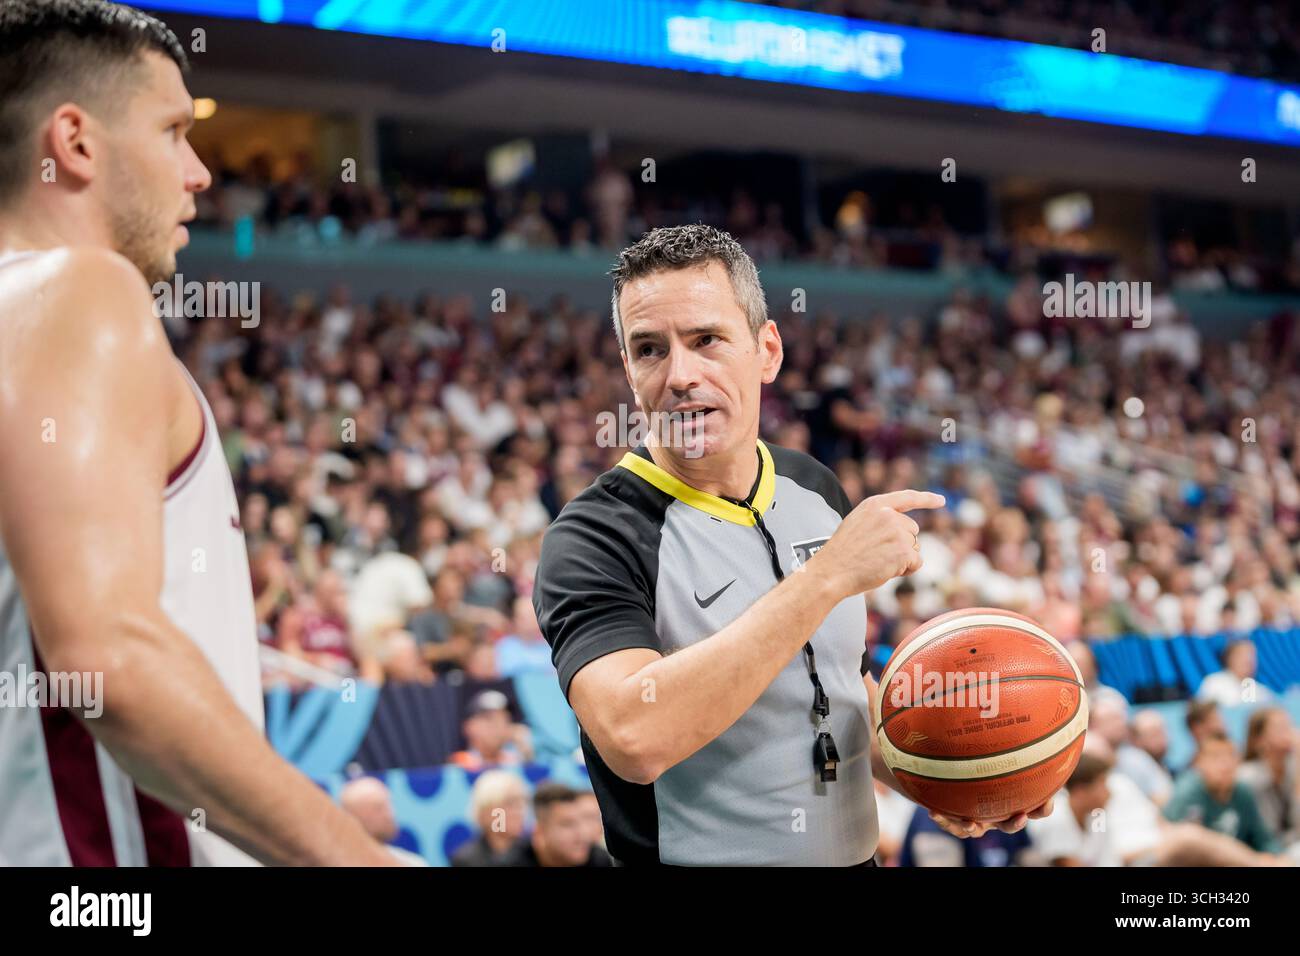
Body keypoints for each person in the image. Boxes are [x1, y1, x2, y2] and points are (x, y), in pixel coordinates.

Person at [0, 0, 391, 866]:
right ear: (76, 142)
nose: (201, 172)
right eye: (175, 130)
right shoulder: (81, 291)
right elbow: (108, 655)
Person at [532, 225, 1049, 866]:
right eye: (649, 349)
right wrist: (825, 576)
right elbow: (634, 737)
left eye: (706, 340)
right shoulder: (594, 536)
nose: (681, 375)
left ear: (767, 350)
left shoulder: (813, 485)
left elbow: (841, 691)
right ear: (630, 371)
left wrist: (956, 776)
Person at [1164, 732, 1284, 856]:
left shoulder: (1243, 792)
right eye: (1216, 757)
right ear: (1199, 763)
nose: (1225, 764)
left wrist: (1279, 858)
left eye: (1231, 756)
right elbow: (1177, 845)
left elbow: (1264, 839)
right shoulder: (1187, 793)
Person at [501, 783, 614, 867]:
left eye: (582, 822)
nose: (582, 834)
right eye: (567, 825)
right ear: (540, 832)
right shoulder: (511, 862)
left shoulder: (599, 860)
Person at [339, 776, 427, 865]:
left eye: (388, 805)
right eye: (378, 808)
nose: (389, 815)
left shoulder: (411, 863)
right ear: (353, 818)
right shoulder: (335, 862)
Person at [451, 770, 529, 867]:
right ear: (484, 812)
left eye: (521, 803)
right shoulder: (465, 860)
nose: (519, 811)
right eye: (510, 803)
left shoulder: (533, 853)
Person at [1196, 639, 1277, 708]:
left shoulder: (1262, 692)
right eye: (1243, 655)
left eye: (1252, 655)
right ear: (1229, 658)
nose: (1249, 660)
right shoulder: (1213, 683)